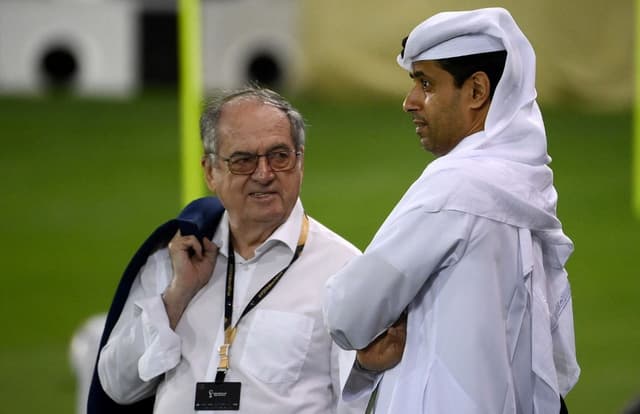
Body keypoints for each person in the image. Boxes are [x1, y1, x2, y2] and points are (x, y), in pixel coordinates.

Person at [324, 7, 580, 413]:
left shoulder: (455, 187)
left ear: (477, 91)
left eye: (426, 83)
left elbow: (346, 311)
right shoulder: (524, 178)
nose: (409, 102)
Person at [89, 86, 367, 413]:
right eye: (243, 161)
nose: (264, 174)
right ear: (210, 172)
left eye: (279, 156)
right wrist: (176, 298)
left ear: (300, 162)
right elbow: (117, 387)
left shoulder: (344, 271)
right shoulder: (175, 257)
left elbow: (359, 404)